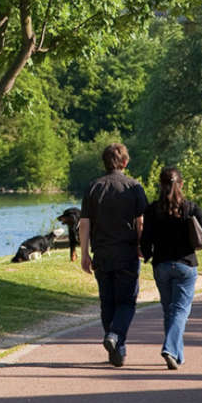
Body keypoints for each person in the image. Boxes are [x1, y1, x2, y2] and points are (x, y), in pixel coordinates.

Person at [78, 142, 148, 367]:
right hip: (126, 252)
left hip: (102, 252)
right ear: (125, 162)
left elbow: (84, 223)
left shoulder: (93, 187)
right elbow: (141, 221)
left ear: (105, 163)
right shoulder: (134, 187)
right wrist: (141, 244)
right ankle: (115, 335)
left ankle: (117, 350)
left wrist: (84, 253)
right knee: (126, 302)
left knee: (107, 302)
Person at [140, 167, 202, 370]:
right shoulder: (189, 208)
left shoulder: (153, 209)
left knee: (169, 310)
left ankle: (177, 356)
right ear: (181, 184)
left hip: (161, 265)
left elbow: (145, 239)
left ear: (160, 185)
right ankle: (171, 350)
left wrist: (146, 254)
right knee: (180, 310)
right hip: (185, 264)